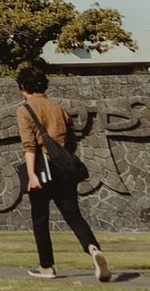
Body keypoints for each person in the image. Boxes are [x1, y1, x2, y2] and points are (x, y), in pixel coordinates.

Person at [16, 66, 111, 282]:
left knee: (40, 219)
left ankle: (46, 267)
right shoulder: (59, 108)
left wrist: (31, 175)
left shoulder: (25, 110)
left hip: (43, 168)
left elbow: (29, 146)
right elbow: (71, 142)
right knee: (74, 216)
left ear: (23, 87)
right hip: (64, 168)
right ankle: (93, 248)